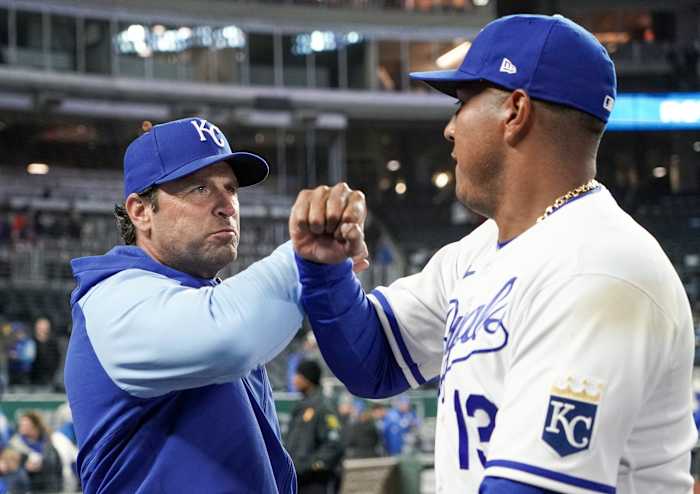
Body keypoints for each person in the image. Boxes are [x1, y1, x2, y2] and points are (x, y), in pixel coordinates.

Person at [289, 14, 697, 494]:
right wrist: (327, 270)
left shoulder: (602, 267)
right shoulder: (480, 250)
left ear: (515, 111)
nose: (448, 128)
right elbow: (372, 360)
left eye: (461, 103)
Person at [64, 117, 317, 493]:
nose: (227, 206)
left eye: (230, 188)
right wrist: (310, 255)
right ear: (141, 211)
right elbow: (231, 336)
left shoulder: (207, 298)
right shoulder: (112, 297)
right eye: (199, 188)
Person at [285, 359, 344, 494]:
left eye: (298, 375)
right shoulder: (302, 406)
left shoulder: (323, 406)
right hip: (299, 482)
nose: (294, 380)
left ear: (307, 379)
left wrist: (310, 465)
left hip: (315, 482)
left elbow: (334, 443)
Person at [7, 411, 62, 493]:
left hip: (49, 489)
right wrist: (26, 469)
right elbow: (9, 472)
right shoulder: (14, 445)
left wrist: (43, 465)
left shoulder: (49, 445)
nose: (22, 427)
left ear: (35, 426)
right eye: (21, 424)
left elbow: (57, 468)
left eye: (26, 425)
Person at [29, 318, 61, 388]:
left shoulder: (53, 344)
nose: (43, 330)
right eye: (40, 327)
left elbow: (57, 361)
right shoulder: (30, 342)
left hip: (49, 380)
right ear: (36, 328)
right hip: (32, 381)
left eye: (45, 327)